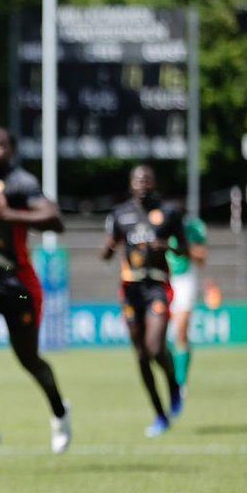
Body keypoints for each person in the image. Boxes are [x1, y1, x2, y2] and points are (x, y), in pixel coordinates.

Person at [0, 127, 71, 467]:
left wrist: (10, 215)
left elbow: (55, 219)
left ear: (12, 149)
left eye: (0, 144)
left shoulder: (22, 183)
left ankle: (59, 410)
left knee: (28, 359)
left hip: (17, 284)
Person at [102, 164, 187, 437]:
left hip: (158, 286)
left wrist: (168, 247)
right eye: (138, 180)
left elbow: (184, 249)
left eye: (147, 180)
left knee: (154, 346)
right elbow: (107, 250)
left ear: (154, 183)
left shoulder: (169, 213)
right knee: (140, 354)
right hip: (131, 290)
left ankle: (174, 384)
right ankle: (159, 414)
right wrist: (107, 248)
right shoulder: (120, 214)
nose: (143, 184)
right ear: (131, 185)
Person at [167, 210, 208, 394]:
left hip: (185, 279)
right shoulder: (161, 225)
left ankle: (180, 382)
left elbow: (202, 257)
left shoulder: (193, 228)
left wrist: (186, 247)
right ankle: (171, 375)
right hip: (164, 279)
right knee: (162, 336)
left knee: (181, 331)